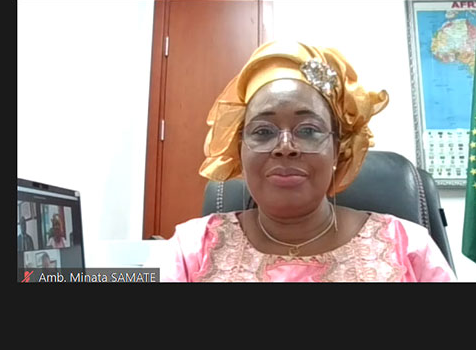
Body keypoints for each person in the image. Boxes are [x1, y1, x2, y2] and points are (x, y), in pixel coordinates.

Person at [161, 41, 456, 282]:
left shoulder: (407, 246)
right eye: (263, 131)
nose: (285, 148)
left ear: (337, 148)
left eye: (309, 131)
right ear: (239, 149)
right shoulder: (191, 249)